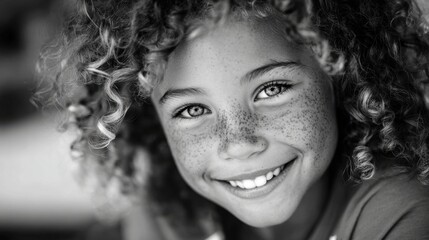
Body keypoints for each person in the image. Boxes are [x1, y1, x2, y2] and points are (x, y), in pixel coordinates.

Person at [34, 0, 429, 239]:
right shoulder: (168, 207)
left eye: (271, 89)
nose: (239, 142)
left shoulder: (400, 215)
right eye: (191, 110)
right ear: (153, 118)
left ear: (338, 72)